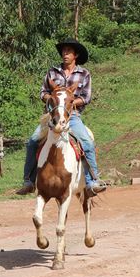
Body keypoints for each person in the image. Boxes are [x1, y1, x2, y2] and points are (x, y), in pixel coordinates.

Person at [16, 38, 108, 197]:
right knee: (32, 142)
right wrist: (53, 100)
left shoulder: (84, 74)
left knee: (86, 142)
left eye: (68, 51)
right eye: (63, 51)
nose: (65, 54)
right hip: (51, 117)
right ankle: (29, 181)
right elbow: (43, 93)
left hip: (72, 116)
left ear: (76, 55)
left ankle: (92, 181)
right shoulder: (52, 72)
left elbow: (86, 97)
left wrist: (69, 103)